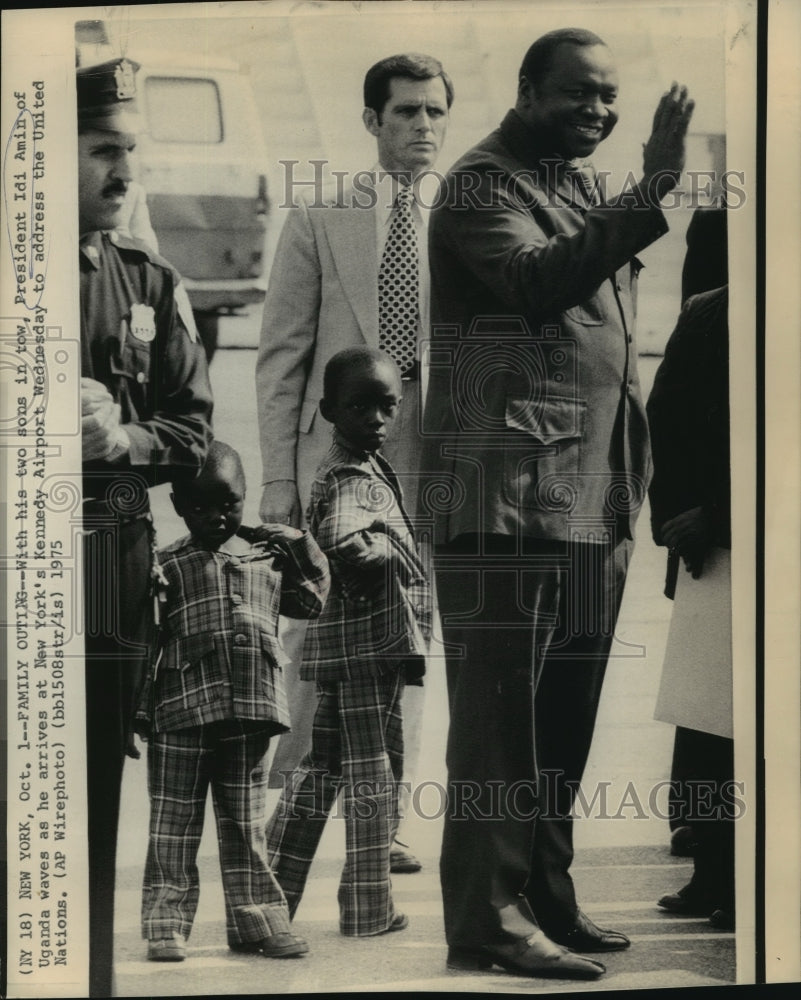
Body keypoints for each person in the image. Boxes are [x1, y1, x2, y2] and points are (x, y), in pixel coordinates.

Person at [420, 28, 694, 979]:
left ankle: (543, 893)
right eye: (577, 94)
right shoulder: (479, 185)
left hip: (590, 503)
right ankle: (486, 922)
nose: (598, 111)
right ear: (528, 91)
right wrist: (649, 188)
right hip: (506, 509)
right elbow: (537, 285)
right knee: (500, 730)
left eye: (608, 96)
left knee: (563, 716)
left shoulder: (574, 185)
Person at [256, 53, 453, 872]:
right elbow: (280, 356)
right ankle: (292, 810)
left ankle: (383, 819)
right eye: (405, 112)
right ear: (371, 121)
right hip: (332, 451)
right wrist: (277, 476)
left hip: (427, 448)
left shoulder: (466, 217)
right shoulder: (319, 219)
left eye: (434, 113)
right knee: (320, 632)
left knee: (409, 632)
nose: (422, 126)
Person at [77, 57, 214, 995]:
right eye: (101, 153)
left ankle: (79, 971)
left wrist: (122, 434)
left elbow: (194, 430)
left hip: (109, 553)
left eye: (131, 154)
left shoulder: (148, 281)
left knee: (88, 783)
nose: (123, 176)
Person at [136, 441, 330, 961]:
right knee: (172, 826)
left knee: (245, 828)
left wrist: (292, 539)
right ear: (178, 506)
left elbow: (312, 599)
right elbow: (146, 642)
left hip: (251, 711)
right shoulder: (167, 566)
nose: (216, 517)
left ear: (244, 499)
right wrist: (135, 710)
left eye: (228, 504)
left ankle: (256, 923)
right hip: (179, 713)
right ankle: (165, 925)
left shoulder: (266, 561)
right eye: (200, 507)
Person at [264, 347, 432, 936]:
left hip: (349, 647)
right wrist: (383, 549)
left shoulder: (362, 462)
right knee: (373, 776)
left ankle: (268, 900)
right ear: (330, 408)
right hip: (368, 647)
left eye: (387, 406)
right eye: (360, 407)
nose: (377, 419)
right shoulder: (349, 475)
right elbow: (341, 539)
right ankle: (367, 908)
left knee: (323, 769)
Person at [647, 278, 734, 931]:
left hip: (749, 535)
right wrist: (682, 516)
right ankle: (712, 870)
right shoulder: (710, 313)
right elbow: (665, 421)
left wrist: (718, 511)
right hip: (716, 552)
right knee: (709, 716)